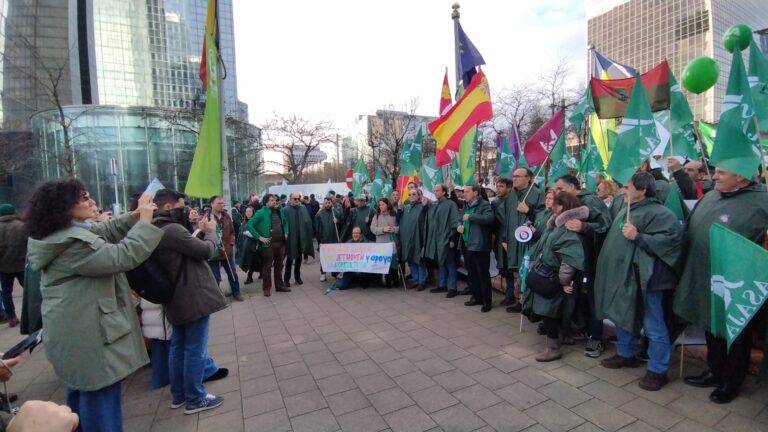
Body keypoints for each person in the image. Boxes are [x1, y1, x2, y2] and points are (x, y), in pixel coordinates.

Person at [25, 178, 164, 431]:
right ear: (64, 207)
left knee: (79, 404)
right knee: (100, 405)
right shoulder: (70, 244)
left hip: (77, 334)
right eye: (84, 197)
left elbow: (104, 232)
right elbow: (123, 256)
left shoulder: (63, 236)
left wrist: (132, 216)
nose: (92, 202)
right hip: (90, 337)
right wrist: (144, 222)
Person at [674, 167, 768, 404]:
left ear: (742, 177)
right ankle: (714, 371)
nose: (714, 176)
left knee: (736, 333)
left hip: (739, 281)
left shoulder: (762, 199)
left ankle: (731, 381)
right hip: (708, 275)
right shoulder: (713, 195)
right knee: (711, 323)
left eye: (722, 173)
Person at [594, 173, 683, 391]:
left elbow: (671, 242)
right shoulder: (626, 209)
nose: (622, 191)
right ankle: (626, 353)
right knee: (623, 315)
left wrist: (639, 237)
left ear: (642, 191)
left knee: (653, 324)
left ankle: (658, 369)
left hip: (648, 281)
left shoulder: (661, 213)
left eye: (627, 187)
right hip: (624, 277)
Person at [150, 189, 228, 414]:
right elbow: (205, 251)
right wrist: (212, 233)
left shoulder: (156, 228)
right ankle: (195, 397)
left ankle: (180, 395)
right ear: (168, 207)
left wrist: (197, 232)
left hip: (175, 296)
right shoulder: (172, 229)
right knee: (195, 349)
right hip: (190, 295)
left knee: (179, 347)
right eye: (182, 206)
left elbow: (185, 250)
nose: (186, 210)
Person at [522, 192, 587, 361]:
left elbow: (569, 259)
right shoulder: (555, 225)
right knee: (549, 312)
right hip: (548, 274)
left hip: (553, 277)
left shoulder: (566, 229)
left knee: (550, 313)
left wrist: (564, 281)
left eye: (556, 203)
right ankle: (558, 340)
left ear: (563, 206)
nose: (551, 206)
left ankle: (553, 348)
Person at [554, 174, 612, 358]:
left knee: (592, 299)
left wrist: (584, 227)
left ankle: (596, 337)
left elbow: (605, 226)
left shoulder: (591, 201)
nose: (557, 193)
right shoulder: (567, 201)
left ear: (572, 187)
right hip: (574, 260)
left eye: (560, 189)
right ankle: (580, 328)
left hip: (591, 260)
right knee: (576, 297)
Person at [500, 168, 546, 313]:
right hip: (513, 241)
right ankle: (520, 300)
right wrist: (505, 238)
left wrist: (529, 211)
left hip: (528, 242)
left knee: (527, 271)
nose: (514, 179)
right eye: (513, 176)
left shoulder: (538, 194)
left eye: (518, 176)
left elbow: (544, 216)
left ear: (528, 178)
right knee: (517, 272)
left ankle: (530, 303)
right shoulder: (511, 196)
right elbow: (506, 219)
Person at [457, 184, 495, 312]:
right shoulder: (465, 205)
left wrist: (471, 217)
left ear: (476, 193)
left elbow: (489, 219)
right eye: (464, 191)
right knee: (472, 273)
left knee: (482, 274)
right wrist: (459, 226)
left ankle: (487, 302)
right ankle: (476, 297)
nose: (464, 193)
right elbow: (461, 219)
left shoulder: (484, 204)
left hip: (479, 246)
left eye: (467, 191)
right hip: (467, 244)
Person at [247, 194, 289, 297]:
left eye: (274, 200)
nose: (274, 202)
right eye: (271, 200)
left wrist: (286, 232)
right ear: (266, 202)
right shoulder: (261, 212)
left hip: (281, 243)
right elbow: (249, 225)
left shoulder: (280, 210)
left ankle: (279, 286)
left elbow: (286, 222)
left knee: (279, 266)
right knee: (267, 267)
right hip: (268, 245)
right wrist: (259, 237)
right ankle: (267, 288)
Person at [423, 184, 461, 297]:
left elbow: (455, 221)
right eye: (434, 190)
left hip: (446, 239)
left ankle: (453, 288)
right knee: (440, 263)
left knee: (450, 263)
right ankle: (442, 285)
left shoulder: (450, 204)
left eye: (437, 190)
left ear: (444, 192)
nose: (435, 192)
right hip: (436, 240)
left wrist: (452, 239)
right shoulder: (434, 205)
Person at [207, 196, 243, 301]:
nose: (222, 205)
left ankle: (236, 293)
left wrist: (231, 244)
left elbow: (232, 232)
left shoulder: (227, 216)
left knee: (232, 273)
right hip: (214, 252)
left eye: (223, 203)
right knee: (215, 276)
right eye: (219, 203)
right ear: (212, 204)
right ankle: (217, 298)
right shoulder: (207, 217)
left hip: (227, 251)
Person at [0, 204, 26, 327]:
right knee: (30, 291)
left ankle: (12, 318)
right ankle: (34, 313)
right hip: (21, 265)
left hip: (3, 267)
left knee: (6, 292)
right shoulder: (22, 226)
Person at [283, 192, 314, 287]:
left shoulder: (303, 208)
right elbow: (283, 223)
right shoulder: (285, 210)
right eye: (295, 199)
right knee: (289, 259)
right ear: (290, 199)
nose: (297, 200)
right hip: (290, 238)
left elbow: (308, 222)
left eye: (298, 198)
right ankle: (286, 280)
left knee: (299, 258)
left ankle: (297, 277)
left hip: (301, 237)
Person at [400, 188, 428, 291]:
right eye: (410, 194)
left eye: (414, 194)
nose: (412, 196)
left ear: (419, 196)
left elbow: (424, 219)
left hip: (418, 237)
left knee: (419, 260)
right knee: (411, 259)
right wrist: (399, 209)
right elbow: (400, 220)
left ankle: (422, 282)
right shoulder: (406, 208)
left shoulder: (422, 207)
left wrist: (425, 207)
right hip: (407, 238)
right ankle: (415, 280)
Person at [370, 198, 399, 288]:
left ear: (387, 204)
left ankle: (395, 279)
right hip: (382, 243)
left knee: (394, 262)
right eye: (379, 205)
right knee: (385, 263)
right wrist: (383, 229)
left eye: (383, 204)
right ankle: (387, 280)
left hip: (392, 242)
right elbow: (373, 228)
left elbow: (399, 226)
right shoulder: (377, 216)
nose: (381, 206)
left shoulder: (394, 214)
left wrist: (394, 229)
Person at [315, 194, 339, 282]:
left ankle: (335, 273)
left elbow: (341, 224)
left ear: (331, 203)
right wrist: (319, 241)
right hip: (324, 239)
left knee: (335, 257)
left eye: (329, 203)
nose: (327, 204)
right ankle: (323, 273)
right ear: (323, 204)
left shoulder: (334, 212)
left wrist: (337, 221)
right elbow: (316, 229)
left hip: (334, 239)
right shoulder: (319, 214)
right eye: (326, 203)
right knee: (324, 257)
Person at [236, 206, 261, 284]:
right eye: (246, 212)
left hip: (254, 245)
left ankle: (250, 277)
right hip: (245, 245)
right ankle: (261, 272)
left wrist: (251, 234)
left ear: (253, 212)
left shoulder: (256, 221)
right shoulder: (244, 222)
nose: (248, 213)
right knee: (251, 261)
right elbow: (240, 233)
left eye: (250, 211)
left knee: (253, 261)